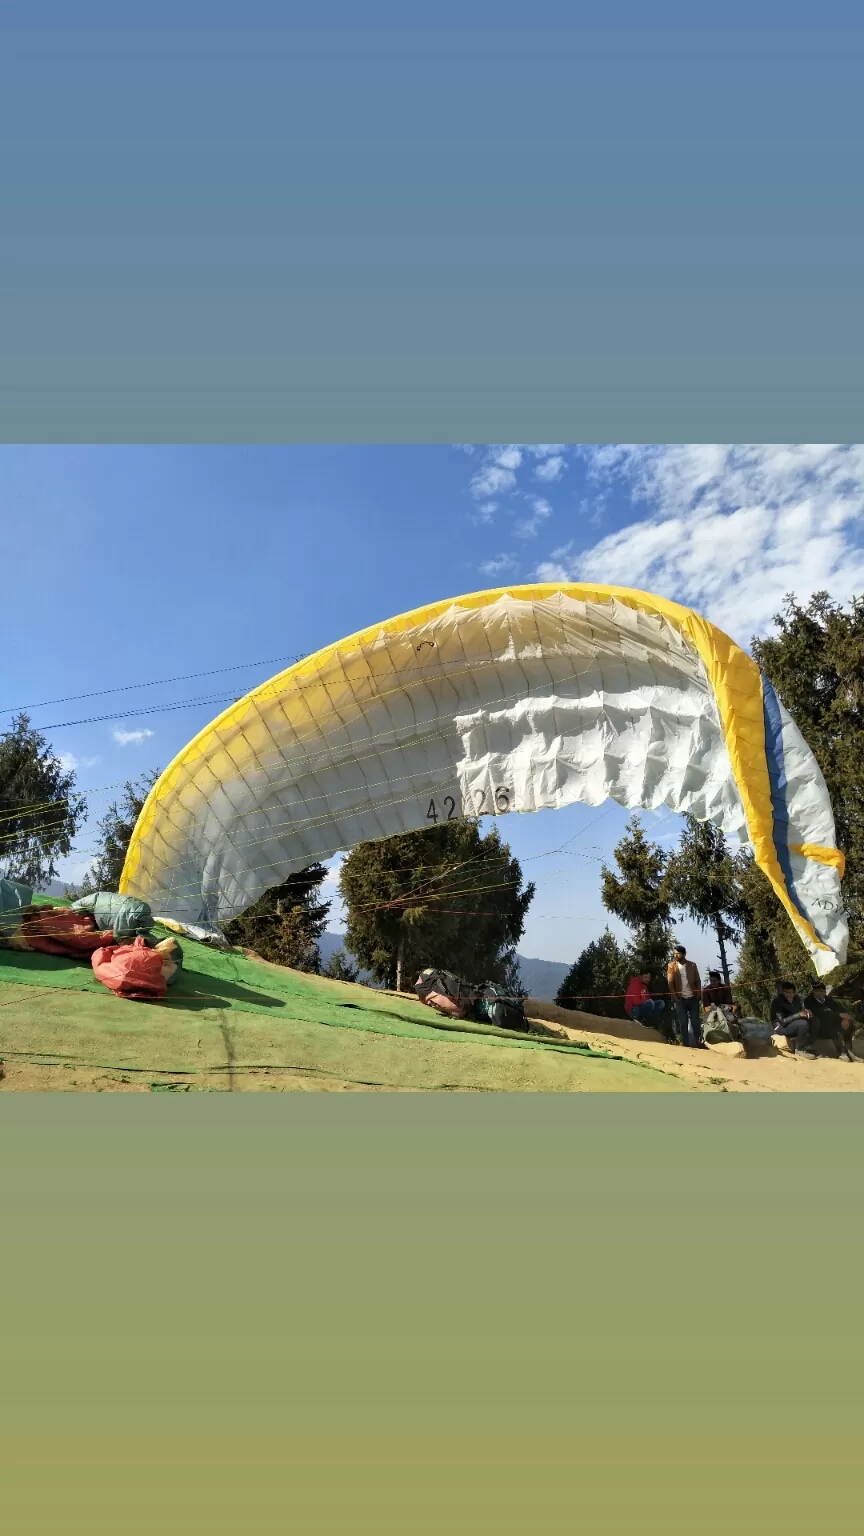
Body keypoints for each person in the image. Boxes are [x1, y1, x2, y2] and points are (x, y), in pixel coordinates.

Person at [800, 982, 860, 1064]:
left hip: (831, 1025)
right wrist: (839, 1015)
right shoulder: (809, 1001)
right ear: (813, 992)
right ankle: (842, 1051)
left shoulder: (829, 1000)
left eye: (821, 991)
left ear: (825, 992)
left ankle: (849, 1051)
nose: (819, 993)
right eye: (816, 991)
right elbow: (820, 1012)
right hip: (818, 1027)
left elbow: (839, 1009)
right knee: (830, 1023)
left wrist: (844, 1018)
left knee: (848, 1023)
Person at [666, 944, 704, 1047]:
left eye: (677, 953)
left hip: (692, 998)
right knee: (683, 1023)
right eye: (674, 953)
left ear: (683, 954)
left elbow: (698, 980)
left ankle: (699, 1043)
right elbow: (670, 982)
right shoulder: (671, 966)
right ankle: (685, 1044)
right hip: (680, 999)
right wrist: (674, 996)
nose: (675, 955)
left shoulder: (692, 965)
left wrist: (698, 995)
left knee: (695, 1022)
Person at [769, 981, 814, 1058]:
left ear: (794, 993)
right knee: (803, 1024)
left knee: (814, 1021)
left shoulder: (797, 999)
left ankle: (808, 1044)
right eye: (786, 992)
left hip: (793, 1024)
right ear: (782, 992)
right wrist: (798, 1015)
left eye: (791, 992)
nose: (789, 995)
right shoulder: (777, 1002)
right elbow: (782, 1022)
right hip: (780, 1027)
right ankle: (799, 1049)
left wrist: (807, 1013)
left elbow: (800, 1012)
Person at [624, 972, 669, 1036]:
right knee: (650, 1002)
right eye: (645, 977)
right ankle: (643, 1019)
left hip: (641, 1007)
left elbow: (647, 997)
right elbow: (635, 1001)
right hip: (634, 1010)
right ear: (640, 976)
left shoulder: (644, 986)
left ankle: (650, 1021)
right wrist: (647, 1002)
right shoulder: (634, 985)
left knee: (661, 1003)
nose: (647, 979)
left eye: (648, 977)